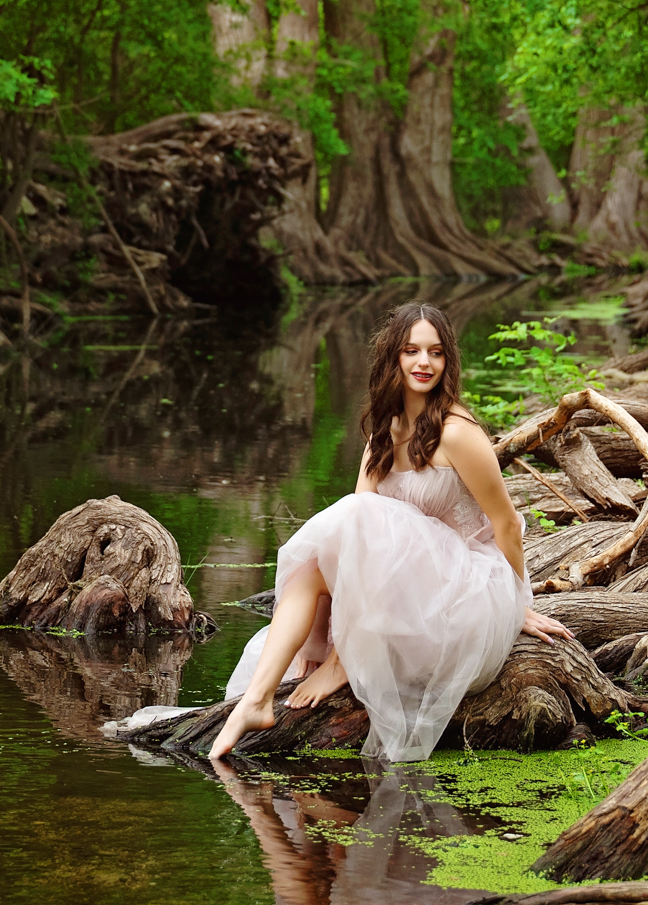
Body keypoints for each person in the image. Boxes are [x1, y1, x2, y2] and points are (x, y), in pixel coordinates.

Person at [210, 302, 574, 761]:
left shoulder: (458, 433)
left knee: (353, 524)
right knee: (319, 556)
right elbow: (354, 536)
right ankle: (257, 701)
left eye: (436, 353)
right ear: (394, 359)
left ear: (448, 362)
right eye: (412, 351)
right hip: (406, 587)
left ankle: (339, 664)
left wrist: (516, 603)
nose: (424, 363)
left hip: (461, 588)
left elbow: (505, 524)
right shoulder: (384, 431)